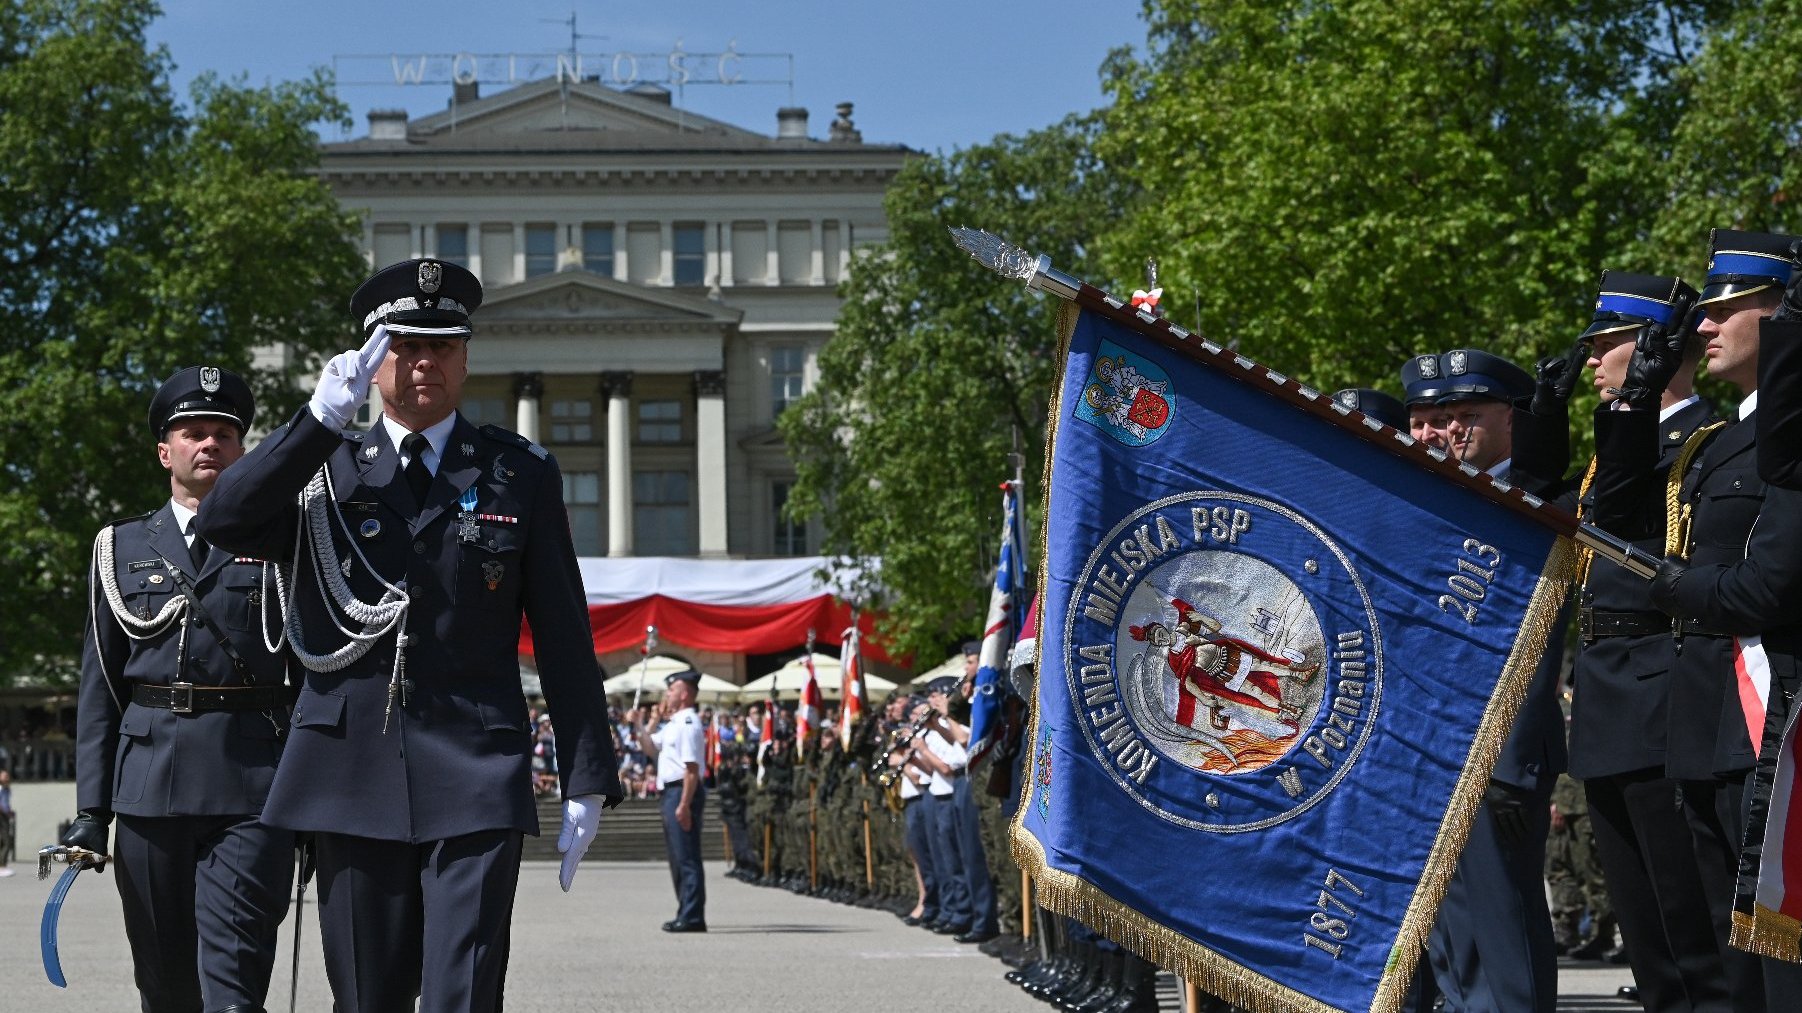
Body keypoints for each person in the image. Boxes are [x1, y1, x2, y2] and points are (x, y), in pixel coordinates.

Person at [195, 258, 621, 1012]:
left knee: (464, 994)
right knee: (368, 995)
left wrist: (587, 771)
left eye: (442, 345)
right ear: (371, 357)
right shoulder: (323, 467)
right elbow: (225, 520)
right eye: (405, 346)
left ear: (466, 355)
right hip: (347, 767)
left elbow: (562, 630)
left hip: (476, 765)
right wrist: (315, 423)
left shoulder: (517, 472)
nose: (424, 361)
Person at [1595, 229, 1802, 1008]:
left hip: (1762, 721)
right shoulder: (1715, 443)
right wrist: (1635, 398)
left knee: (1769, 968)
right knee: (1713, 961)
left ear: (1782, 316)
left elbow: (1768, 587)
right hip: (1703, 726)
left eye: (1726, 309)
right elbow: (1616, 519)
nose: (1705, 328)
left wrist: (1681, 590)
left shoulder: (1784, 437)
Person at [64, 366, 295, 1012]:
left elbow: (306, 674)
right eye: (193, 432)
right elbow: (101, 684)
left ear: (242, 450)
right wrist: (93, 806)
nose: (210, 445)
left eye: (224, 433)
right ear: (166, 450)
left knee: (234, 980)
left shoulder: (283, 540)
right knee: (164, 984)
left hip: (252, 787)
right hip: (148, 791)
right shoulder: (120, 546)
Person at [1401, 348, 1565, 1012]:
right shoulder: (1424, 499)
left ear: (1511, 420)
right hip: (1424, 763)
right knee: (1451, 955)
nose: (1447, 431)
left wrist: (1511, 766)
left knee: (1502, 963)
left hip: (1496, 764)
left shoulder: (1536, 503)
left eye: (1467, 414)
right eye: (1432, 419)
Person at [639, 668, 708, 931]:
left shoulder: (688, 723)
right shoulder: (674, 723)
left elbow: (691, 769)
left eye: (672, 689)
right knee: (677, 857)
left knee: (687, 857)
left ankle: (692, 916)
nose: (667, 694)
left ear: (685, 694)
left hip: (682, 791)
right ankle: (685, 910)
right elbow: (648, 746)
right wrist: (645, 723)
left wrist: (684, 804)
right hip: (670, 791)